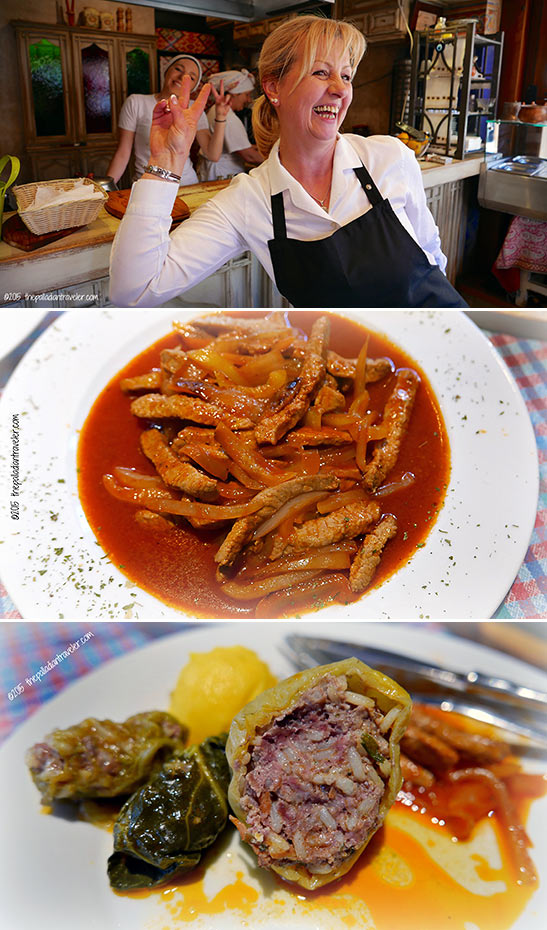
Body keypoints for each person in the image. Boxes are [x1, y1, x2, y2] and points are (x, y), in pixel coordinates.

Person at [110, 16, 468, 307]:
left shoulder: (390, 157)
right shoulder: (250, 200)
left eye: (346, 75)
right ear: (274, 88)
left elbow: (432, 259)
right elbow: (134, 291)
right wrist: (164, 162)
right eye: (321, 72)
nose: (341, 89)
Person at [106, 54, 231, 186]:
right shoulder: (136, 102)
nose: (182, 77)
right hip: (147, 185)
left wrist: (221, 117)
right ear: (166, 71)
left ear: (193, 87)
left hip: (186, 185)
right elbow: (123, 153)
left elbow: (213, 155)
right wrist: (104, 189)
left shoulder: (194, 109)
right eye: (178, 69)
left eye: (191, 77)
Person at [198, 69, 263, 181]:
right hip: (222, 173)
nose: (248, 99)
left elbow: (239, 146)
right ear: (234, 94)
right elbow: (249, 155)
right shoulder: (227, 117)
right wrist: (276, 162)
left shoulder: (216, 110)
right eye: (246, 94)